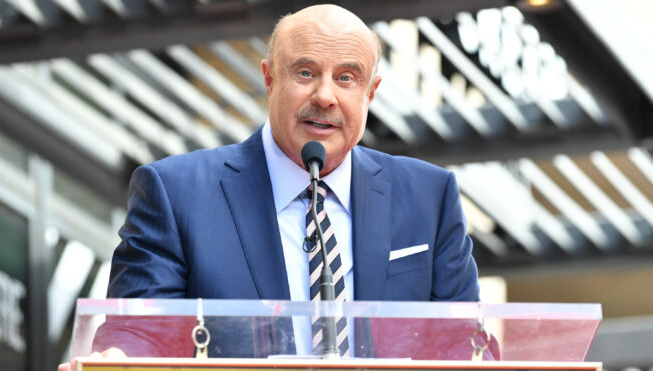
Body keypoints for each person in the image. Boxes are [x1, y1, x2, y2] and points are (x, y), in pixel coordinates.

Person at [63, 4, 483, 367]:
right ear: (269, 79)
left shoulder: (430, 197)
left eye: (346, 78)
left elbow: (466, 346)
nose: (325, 96)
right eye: (305, 72)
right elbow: (142, 334)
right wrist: (118, 360)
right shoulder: (176, 193)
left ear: (371, 93)